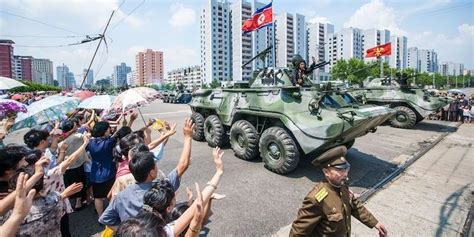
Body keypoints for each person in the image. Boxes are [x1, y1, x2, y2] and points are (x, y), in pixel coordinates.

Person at [99, 118, 194, 228]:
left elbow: (105, 218)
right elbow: (182, 166)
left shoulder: (121, 197)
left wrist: (126, 229)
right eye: (155, 164)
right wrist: (188, 137)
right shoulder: (162, 189)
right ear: (152, 173)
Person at [290, 146, 388, 237]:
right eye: (340, 170)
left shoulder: (342, 185)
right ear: (326, 172)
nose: (345, 173)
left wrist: (375, 223)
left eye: (346, 168)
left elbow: (354, 205)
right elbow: (298, 232)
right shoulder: (316, 199)